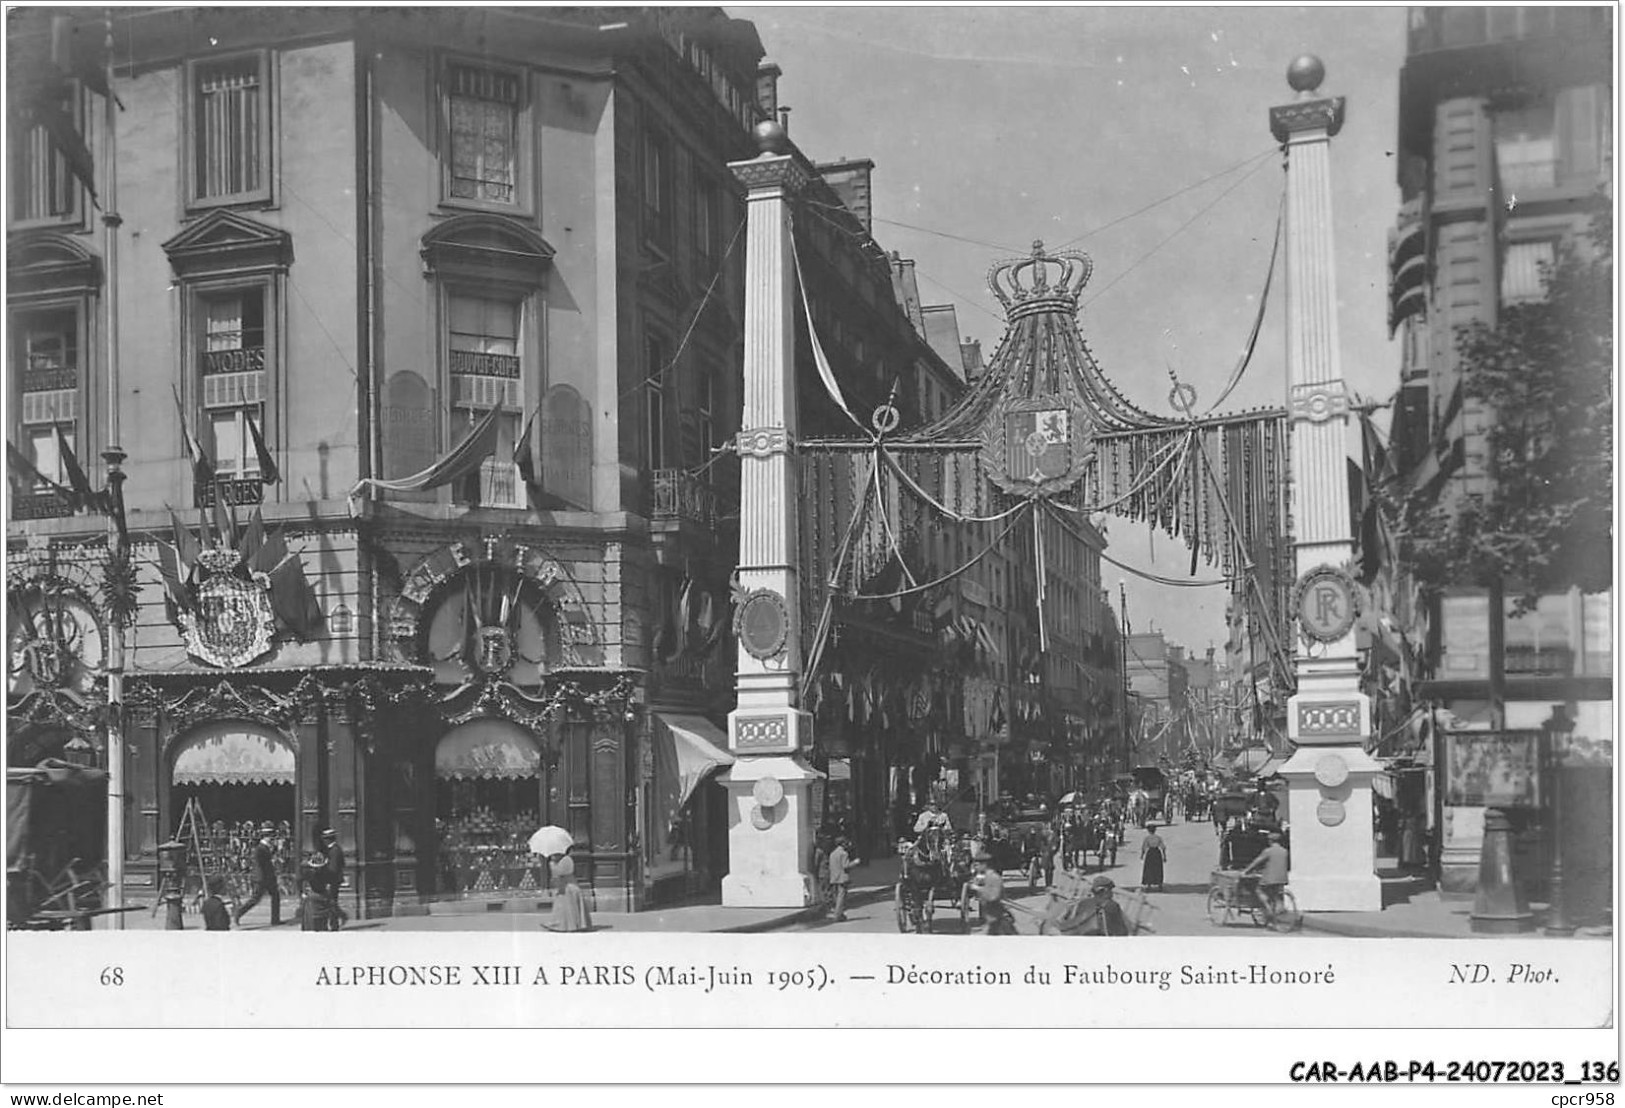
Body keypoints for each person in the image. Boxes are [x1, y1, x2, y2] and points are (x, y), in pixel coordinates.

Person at [234, 824, 281, 926]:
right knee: (255, 899)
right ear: (266, 837)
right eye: (271, 837)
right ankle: (239, 912)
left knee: (276, 896)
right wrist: (262, 878)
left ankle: (275, 920)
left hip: (268, 877)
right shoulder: (260, 849)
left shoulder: (266, 848)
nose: (272, 839)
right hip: (262, 878)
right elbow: (260, 865)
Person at [1241, 831, 1290, 916]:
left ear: (1270, 841)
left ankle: (1268, 908)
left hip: (1270, 878)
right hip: (1283, 878)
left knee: (1258, 890)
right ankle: (1279, 908)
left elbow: (1256, 862)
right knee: (1276, 893)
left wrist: (1246, 871)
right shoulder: (1284, 851)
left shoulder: (1268, 851)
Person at [546, 850, 593, 932]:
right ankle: (558, 924)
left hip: (569, 887)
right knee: (561, 906)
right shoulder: (562, 860)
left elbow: (560, 872)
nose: (553, 856)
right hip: (564, 886)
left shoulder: (566, 860)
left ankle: (569, 925)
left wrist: (553, 865)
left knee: (569, 906)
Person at [969, 853, 1013, 934]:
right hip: (991, 918)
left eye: (977, 865)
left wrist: (978, 889)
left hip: (998, 919)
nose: (975, 867)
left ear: (984, 865)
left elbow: (993, 896)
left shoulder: (993, 877)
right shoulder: (986, 877)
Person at [320, 828, 348, 931]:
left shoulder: (335, 850)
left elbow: (333, 868)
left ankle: (335, 923)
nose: (324, 841)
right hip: (333, 879)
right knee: (331, 901)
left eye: (325, 839)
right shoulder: (333, 849)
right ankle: (337, 919)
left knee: (331, 901)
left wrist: (328, 881)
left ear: (328, 839)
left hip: (333, 880)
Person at [827, 837, 859, 922]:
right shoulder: (844, 854)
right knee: (841, 897)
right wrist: (855, 862)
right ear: (843, 844)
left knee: (836, 896)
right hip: (842, 878)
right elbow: (846, 866)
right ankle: (838, 915)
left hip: (834, 877)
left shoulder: (832, 853)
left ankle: (839, 914)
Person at [1140, 822, 1166, 892]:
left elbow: (1143, 847)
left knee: (1149, 869)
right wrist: (1164, 856)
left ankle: (1148, 885)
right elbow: (1163, 847)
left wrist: (1142, 855)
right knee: (1157, 869)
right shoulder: (1158, 838)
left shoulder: (1147, 838)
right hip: (1157, 853)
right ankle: (1159, 884)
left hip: (1150, 853)